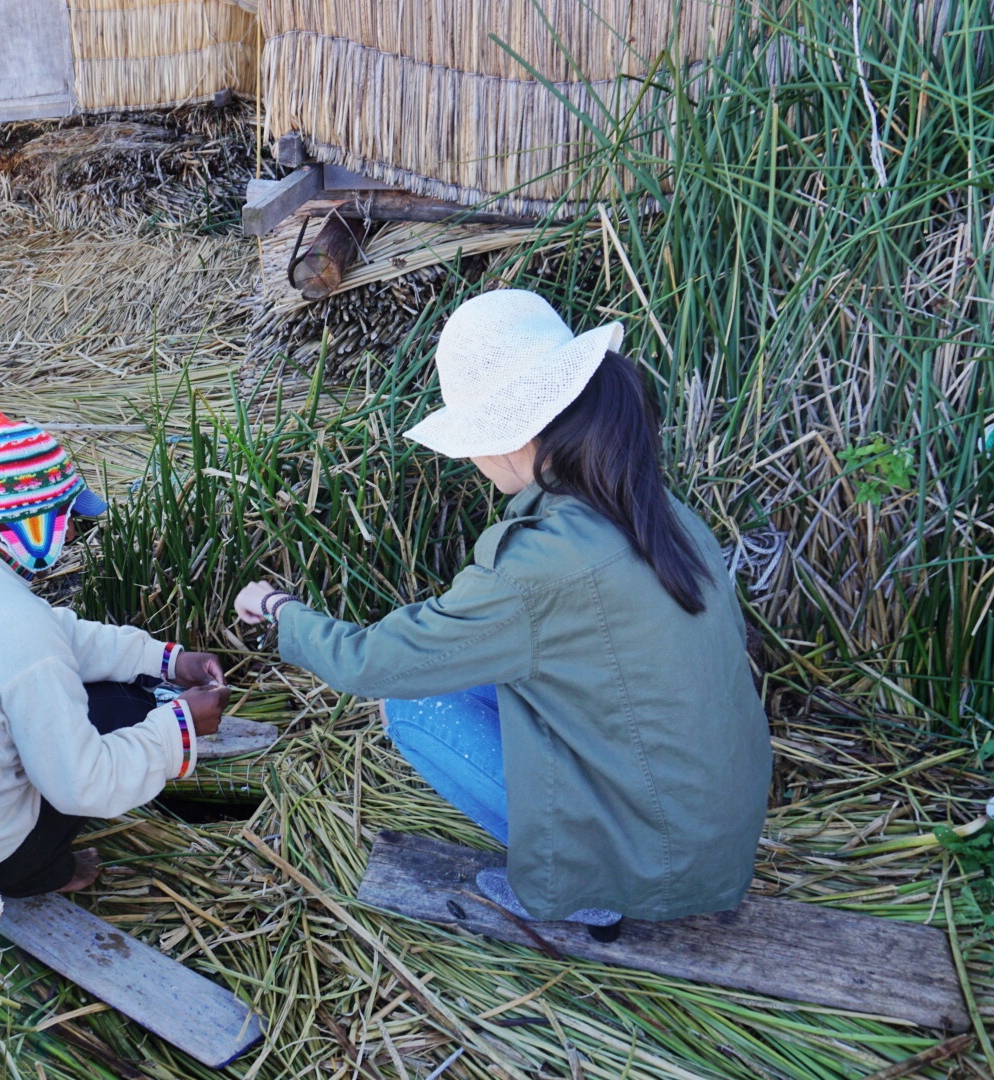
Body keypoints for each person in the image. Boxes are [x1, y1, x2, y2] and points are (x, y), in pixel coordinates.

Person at [235, 290, 771, 934]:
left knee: (410, 704)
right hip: (715, 825)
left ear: (504, 437)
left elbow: (371, 665)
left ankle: (587, 890)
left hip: (659, 859)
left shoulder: (539, 565)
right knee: (472, 672)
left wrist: (279, 610)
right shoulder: (649, 502)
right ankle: (603, 863)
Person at [0, 414, 231, 896]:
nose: (72, 534)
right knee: (133, 708)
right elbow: (85, 786)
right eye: (67, 518)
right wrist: (180, 726)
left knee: (114, 694)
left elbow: (54, 636)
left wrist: (166, 660)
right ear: (32, 521)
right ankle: (42, 870)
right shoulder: (16, 628)